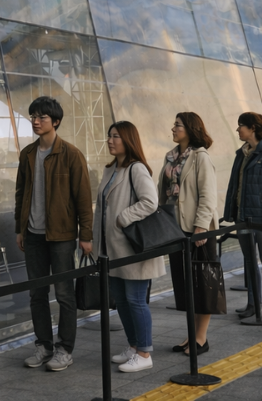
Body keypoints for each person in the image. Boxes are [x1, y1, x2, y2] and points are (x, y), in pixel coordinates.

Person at [14, 96, 93, 372]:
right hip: (33, 235)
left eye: (42, 117)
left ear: (55, 121)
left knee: (64, 294)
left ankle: (64, 349)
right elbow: (21, 194)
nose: (36, 121)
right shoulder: (27, 154)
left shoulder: (71, 155)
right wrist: (19, 229)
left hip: (61, 236)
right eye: (33, 116)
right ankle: (43, 345)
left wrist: (86, 236)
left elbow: (84, 198)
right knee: (37, 294)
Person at [94, 121, 165, 373]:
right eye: (109, 135)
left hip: (133, 248)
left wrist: (124, 217)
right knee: (122, 300)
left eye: (116, 136)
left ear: (128, 140)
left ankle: (145, 352)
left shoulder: (136, 169)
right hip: (112, 250)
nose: (110, 140)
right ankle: (134, 346)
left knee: (135, 300)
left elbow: (150, 202)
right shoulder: (111, 169)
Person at [158, 112, 218, 355]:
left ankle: (201, 339)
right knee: (185, 286)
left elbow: (208, 195)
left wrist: (201, 227)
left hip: (196, 230)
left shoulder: (200, 157)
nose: (173, 128)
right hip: (175, 228)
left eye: (178, 125)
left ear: (190, 129)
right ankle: (191, 335)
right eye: (174, 124)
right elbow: (164, 193)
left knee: (201, 285)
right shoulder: (170, 157)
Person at [222, 112, 262, 324]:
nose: (238, 129)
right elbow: (234, 186)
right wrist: (231, 212)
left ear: (253, 128)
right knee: (250, 262)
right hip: (243, 216)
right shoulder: (241, 154)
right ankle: (253, 304)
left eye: (241, 126)